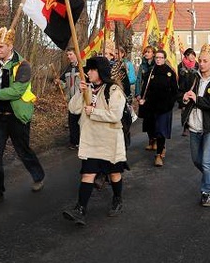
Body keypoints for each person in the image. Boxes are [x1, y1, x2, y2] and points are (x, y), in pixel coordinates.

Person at [0, 27, 45, 204]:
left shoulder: (23, 65)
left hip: (16, 117)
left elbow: (17, 91)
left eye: (1, 46)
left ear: (10, 46)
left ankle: (38, 176)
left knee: (23, 150)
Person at [62, 56, 128, 225]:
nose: (88, 72)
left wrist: (94, 112)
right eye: (88, 69)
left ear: (100, 71)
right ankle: (80, 209)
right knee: (88, 173)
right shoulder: (88, 88)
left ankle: (117, 199)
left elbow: (115, 115)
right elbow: (73, 109)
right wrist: (80, 92)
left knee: (114, 173)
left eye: (92, 69)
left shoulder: (114, 91)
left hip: (109, 140)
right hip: (91, 140)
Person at [181, 47, 210, 207]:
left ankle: (206, 192)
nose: (201, 64)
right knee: (196, 160)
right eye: (200, 60)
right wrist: (185, 98)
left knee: (207, 162)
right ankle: (209, 173)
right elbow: (182, 94)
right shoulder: (194, 77)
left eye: (205, 61)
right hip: (194, 125)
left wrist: (197, 99)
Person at [138, 49, 178, 167]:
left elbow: (175, 90)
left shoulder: (169, 72)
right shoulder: (151, 72)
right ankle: (158, 145)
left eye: (161, 58)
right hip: (151, 105)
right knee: (152, 129)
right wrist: (142, 98)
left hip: (164, 107)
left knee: (161, 131)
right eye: (157, 58)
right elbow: (145, 87)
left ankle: (159, 155)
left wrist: (170, 104)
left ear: (165, 59)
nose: (159, 60)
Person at [56, 47, 81, 150]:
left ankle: (83, 142)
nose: (69, 57)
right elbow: (64, 85)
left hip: (81, 99)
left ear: (76, 54)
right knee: (72, 122)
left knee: (82, 122)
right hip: (71, 100)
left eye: (71, 54)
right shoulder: (67, 69)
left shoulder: (83, 67)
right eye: (67, 55)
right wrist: (59, 83)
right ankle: (74, 142)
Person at [135, 45, 156, 150]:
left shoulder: (156, 65)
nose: (146, 54)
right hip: (144, 94)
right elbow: (138, 80)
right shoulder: (142, 66)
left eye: (149, 52)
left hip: (153, 95)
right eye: (145, 52)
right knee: (147, 120)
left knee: (154, 118)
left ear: (153, 53)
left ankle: (155, 139)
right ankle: (150, 139)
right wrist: (138, 94)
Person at [177, 47, 199, 136]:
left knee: (193, 109)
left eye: (194, 55)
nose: (193, 57)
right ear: (186, 55)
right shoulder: (181, 65)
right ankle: (185, 127)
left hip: (194, 90)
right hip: (184, 90)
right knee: (184, 109)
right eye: (191, 55)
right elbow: (180, 77)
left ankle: (192, 126)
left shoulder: (197, 65)